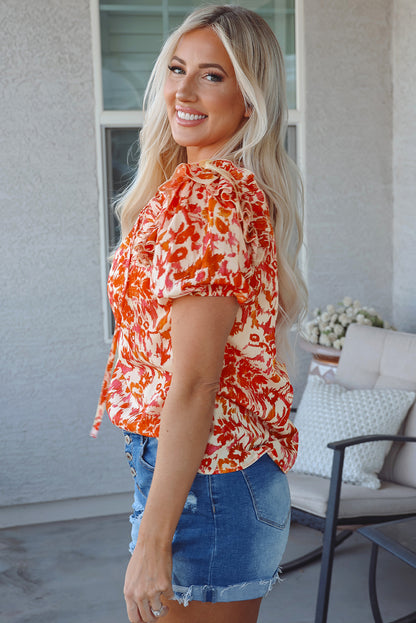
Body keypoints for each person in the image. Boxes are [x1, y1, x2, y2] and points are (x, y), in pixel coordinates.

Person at [92, 5, 307, 623]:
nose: (183, 90)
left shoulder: (209, 202)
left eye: (212, 76)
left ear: (249, 100)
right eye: (177, 68)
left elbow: (195, 380)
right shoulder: (206, 190)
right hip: (202, 478)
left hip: (206, 486)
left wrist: (155, 539)